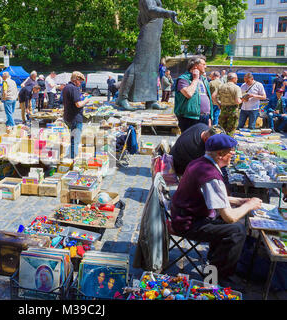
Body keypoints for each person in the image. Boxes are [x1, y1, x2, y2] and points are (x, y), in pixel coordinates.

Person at [170, 134, 262, 288]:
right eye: (230, 152)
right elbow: (229, 218)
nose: (233, 155)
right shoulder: (210, 175)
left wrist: (239, 201)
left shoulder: (200, 162)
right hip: (187, 222)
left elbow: (214, 197)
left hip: (184, 214)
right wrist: (249, 206)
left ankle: (215, 262)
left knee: (230, 225)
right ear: (220, 154)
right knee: (236, 230)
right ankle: (220, 277)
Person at [116, 1, 181, 110]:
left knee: (153, 67)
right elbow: (150, 10)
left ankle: (151, 100)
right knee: (138, 65)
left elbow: (140, 17)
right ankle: (122, 97)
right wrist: (168, 13)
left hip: (155, 36)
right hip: (148, 35)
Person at [174, 56, 214, 132]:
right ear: (196, 65)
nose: (206, 66)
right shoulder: (184, 79)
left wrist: (209, 117)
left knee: (202, 142)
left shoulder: (204, 80)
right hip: (189, 118)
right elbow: (188, 94)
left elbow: (208, 97)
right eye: (203, 64)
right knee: (189, 142)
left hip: (204, 117)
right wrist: (195, 79)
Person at [62, 71, 91, 159]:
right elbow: (78, 104)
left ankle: (70, 156)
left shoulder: (66, 87)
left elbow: (72, 99)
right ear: (76, 79)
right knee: (75, 140)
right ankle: (72, 159)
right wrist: (86, 100)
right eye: (80, 81)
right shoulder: (74, 88)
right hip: (75, 117)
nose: (80, 83)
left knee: (72, 139)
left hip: (68, 116)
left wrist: (81, 96)